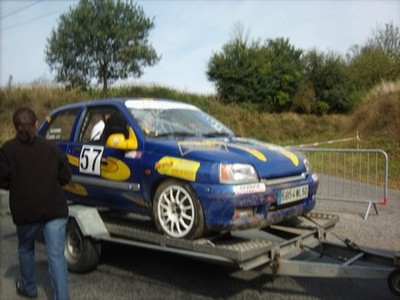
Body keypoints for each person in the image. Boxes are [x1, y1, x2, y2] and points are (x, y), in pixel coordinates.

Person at [0, 107, 71, 300]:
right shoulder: (52, 148)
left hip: (26, 210)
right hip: (54, 208)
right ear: (37, 124)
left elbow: (3, 180)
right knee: (56, 255)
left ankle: (29, 287)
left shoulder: (7, 150)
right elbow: (66, 176)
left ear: (15, 128)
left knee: (25, 248)